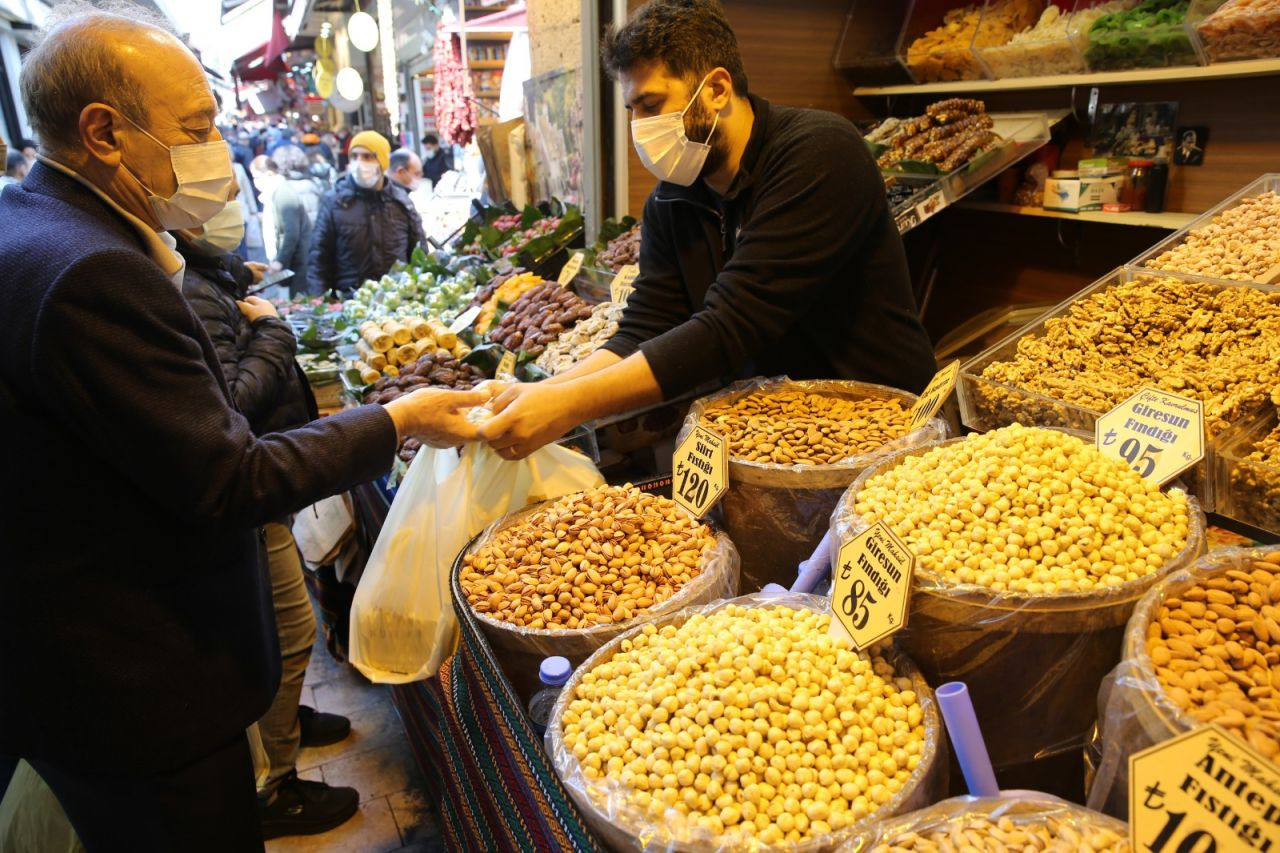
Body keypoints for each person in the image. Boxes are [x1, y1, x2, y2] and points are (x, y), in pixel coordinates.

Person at [0, 7, 489, 850]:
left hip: (74, 668)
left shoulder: (30, 222)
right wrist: (398, 417)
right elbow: (227, 477)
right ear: (104, 133)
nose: (214, 146)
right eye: (195, 127)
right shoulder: (91, 270)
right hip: (136, 687)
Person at [479, 0, 935, 460]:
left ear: (717, 88)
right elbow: (645, 325)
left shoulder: (819, 153)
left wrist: (569, 405)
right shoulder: (671, 198)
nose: (640, 127)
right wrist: (541, 394)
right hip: (776, 437)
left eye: (652, 105)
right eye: (632, 109)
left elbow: (730, 325)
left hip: (881, 424)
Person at [174, 208, 359, 838]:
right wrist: (274, 331)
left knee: (281, 628)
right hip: (249, 492)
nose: (226, 196)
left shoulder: (201, 274)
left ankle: (287, 721)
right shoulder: (187, 287)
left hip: (259, 490)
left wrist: (235, 282)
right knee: (288, 627)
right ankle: (275, 786)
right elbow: (232, 402)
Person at [308, 130, 427, 296]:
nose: (359, 162)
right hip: (350, 304)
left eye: (367, 156)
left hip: (396, 302)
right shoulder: (334, 202)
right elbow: (318, 260)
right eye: (354, 156)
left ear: (382, 162)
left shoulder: (401, 202)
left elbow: (419, 253)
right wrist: (321, 302)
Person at [270, 146, 324, 292]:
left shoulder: (285, 191)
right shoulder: (313, 185)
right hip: (317, 250)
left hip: (300, 255)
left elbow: (291, 232)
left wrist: (280, 260)